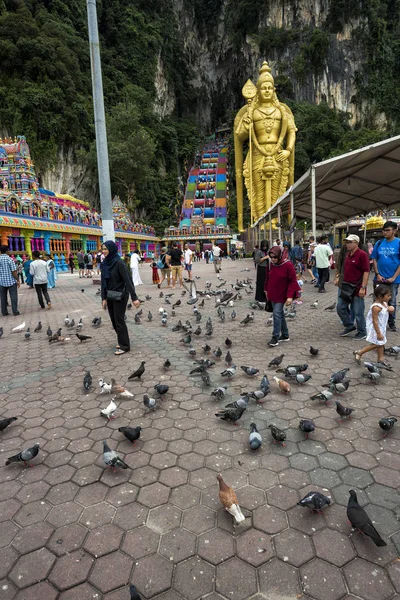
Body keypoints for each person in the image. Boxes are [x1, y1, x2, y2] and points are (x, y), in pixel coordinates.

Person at [234, 61, 296, 229]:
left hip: (278, 153)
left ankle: (274, 221)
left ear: (273, 90)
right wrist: (247, 124)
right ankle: (261, 221)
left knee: (277, 191)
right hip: (257, 154)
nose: (267, 91)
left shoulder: (281, 111)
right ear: (258, 91)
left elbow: (291, 132)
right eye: (263, 88)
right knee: (258, 190)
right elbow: (239, 136)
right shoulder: (251, 112)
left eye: (269, 87)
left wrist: (288, 150)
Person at [101, 241, 140, 356]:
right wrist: (103, 298)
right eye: (102, 249)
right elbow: (104, 282)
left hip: (121, 295)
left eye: (106, 249)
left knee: (119, 320)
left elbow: (128, 280)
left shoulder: (119, 263)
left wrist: (134, 298)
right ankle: (122, 340)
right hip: (110, 295)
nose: (103, 251)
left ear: (111, 249)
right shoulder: (105, 263)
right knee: (113, 320)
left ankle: (125, 346)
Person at [335, 234, 370, 340]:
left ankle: (362, 331)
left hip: (357, 288)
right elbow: (343, 269)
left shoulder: (362, 255)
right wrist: (338, 277)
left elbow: (366, 271)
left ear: (356, 243)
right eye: (347, 242)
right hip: (346, 287)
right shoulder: (347, 255)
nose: (347, 244)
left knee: (358, 311)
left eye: (350, 242)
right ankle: (350, 325)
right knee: (340, 307)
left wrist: (363, 287)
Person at [264, 245, 298, 347]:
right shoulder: (270, 264)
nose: (273, 259)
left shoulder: (288, 265)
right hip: (272, 293)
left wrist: (290, 296)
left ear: (280, 255)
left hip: (283, 293)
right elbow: (267, 277)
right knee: (280, 314)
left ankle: (275, 337)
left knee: (276, 314)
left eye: (275, 257)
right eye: (271, 257)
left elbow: (293, 281)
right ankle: (285, 334)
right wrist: (265, 289)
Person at [371, 220, 400, 332]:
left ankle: (391, 322)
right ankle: (376, 320)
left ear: (394, 230)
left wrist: (393, 277)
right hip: (379, 278)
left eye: (388, 230)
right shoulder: (379, 243)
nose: (385, 233)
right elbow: (374, 259)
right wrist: (377, 274)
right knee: (377, 300)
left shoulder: (398, 243)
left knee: (391, 301)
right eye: (384, 230)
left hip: (394, 279)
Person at [353, 284, 393, 365]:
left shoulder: (384, 303)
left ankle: (380, 360)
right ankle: (360, 352)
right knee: (376, 344)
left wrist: (391, 308)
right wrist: (378, 333)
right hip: (376, 328)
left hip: (382, 327)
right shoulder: (376, 307)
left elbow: (387, 309)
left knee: (381, 343)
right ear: (380, 296)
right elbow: (375, 321)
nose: (390, 297)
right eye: (388, 295)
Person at [0, 245, 20, 316]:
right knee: (13, 297)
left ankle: (4, 312)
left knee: (3, 297)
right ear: (6, 251)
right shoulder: (10, 259)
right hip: (11, 281)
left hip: (1, 281)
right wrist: (17, 280)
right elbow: (14, 271)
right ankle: (15, 311)